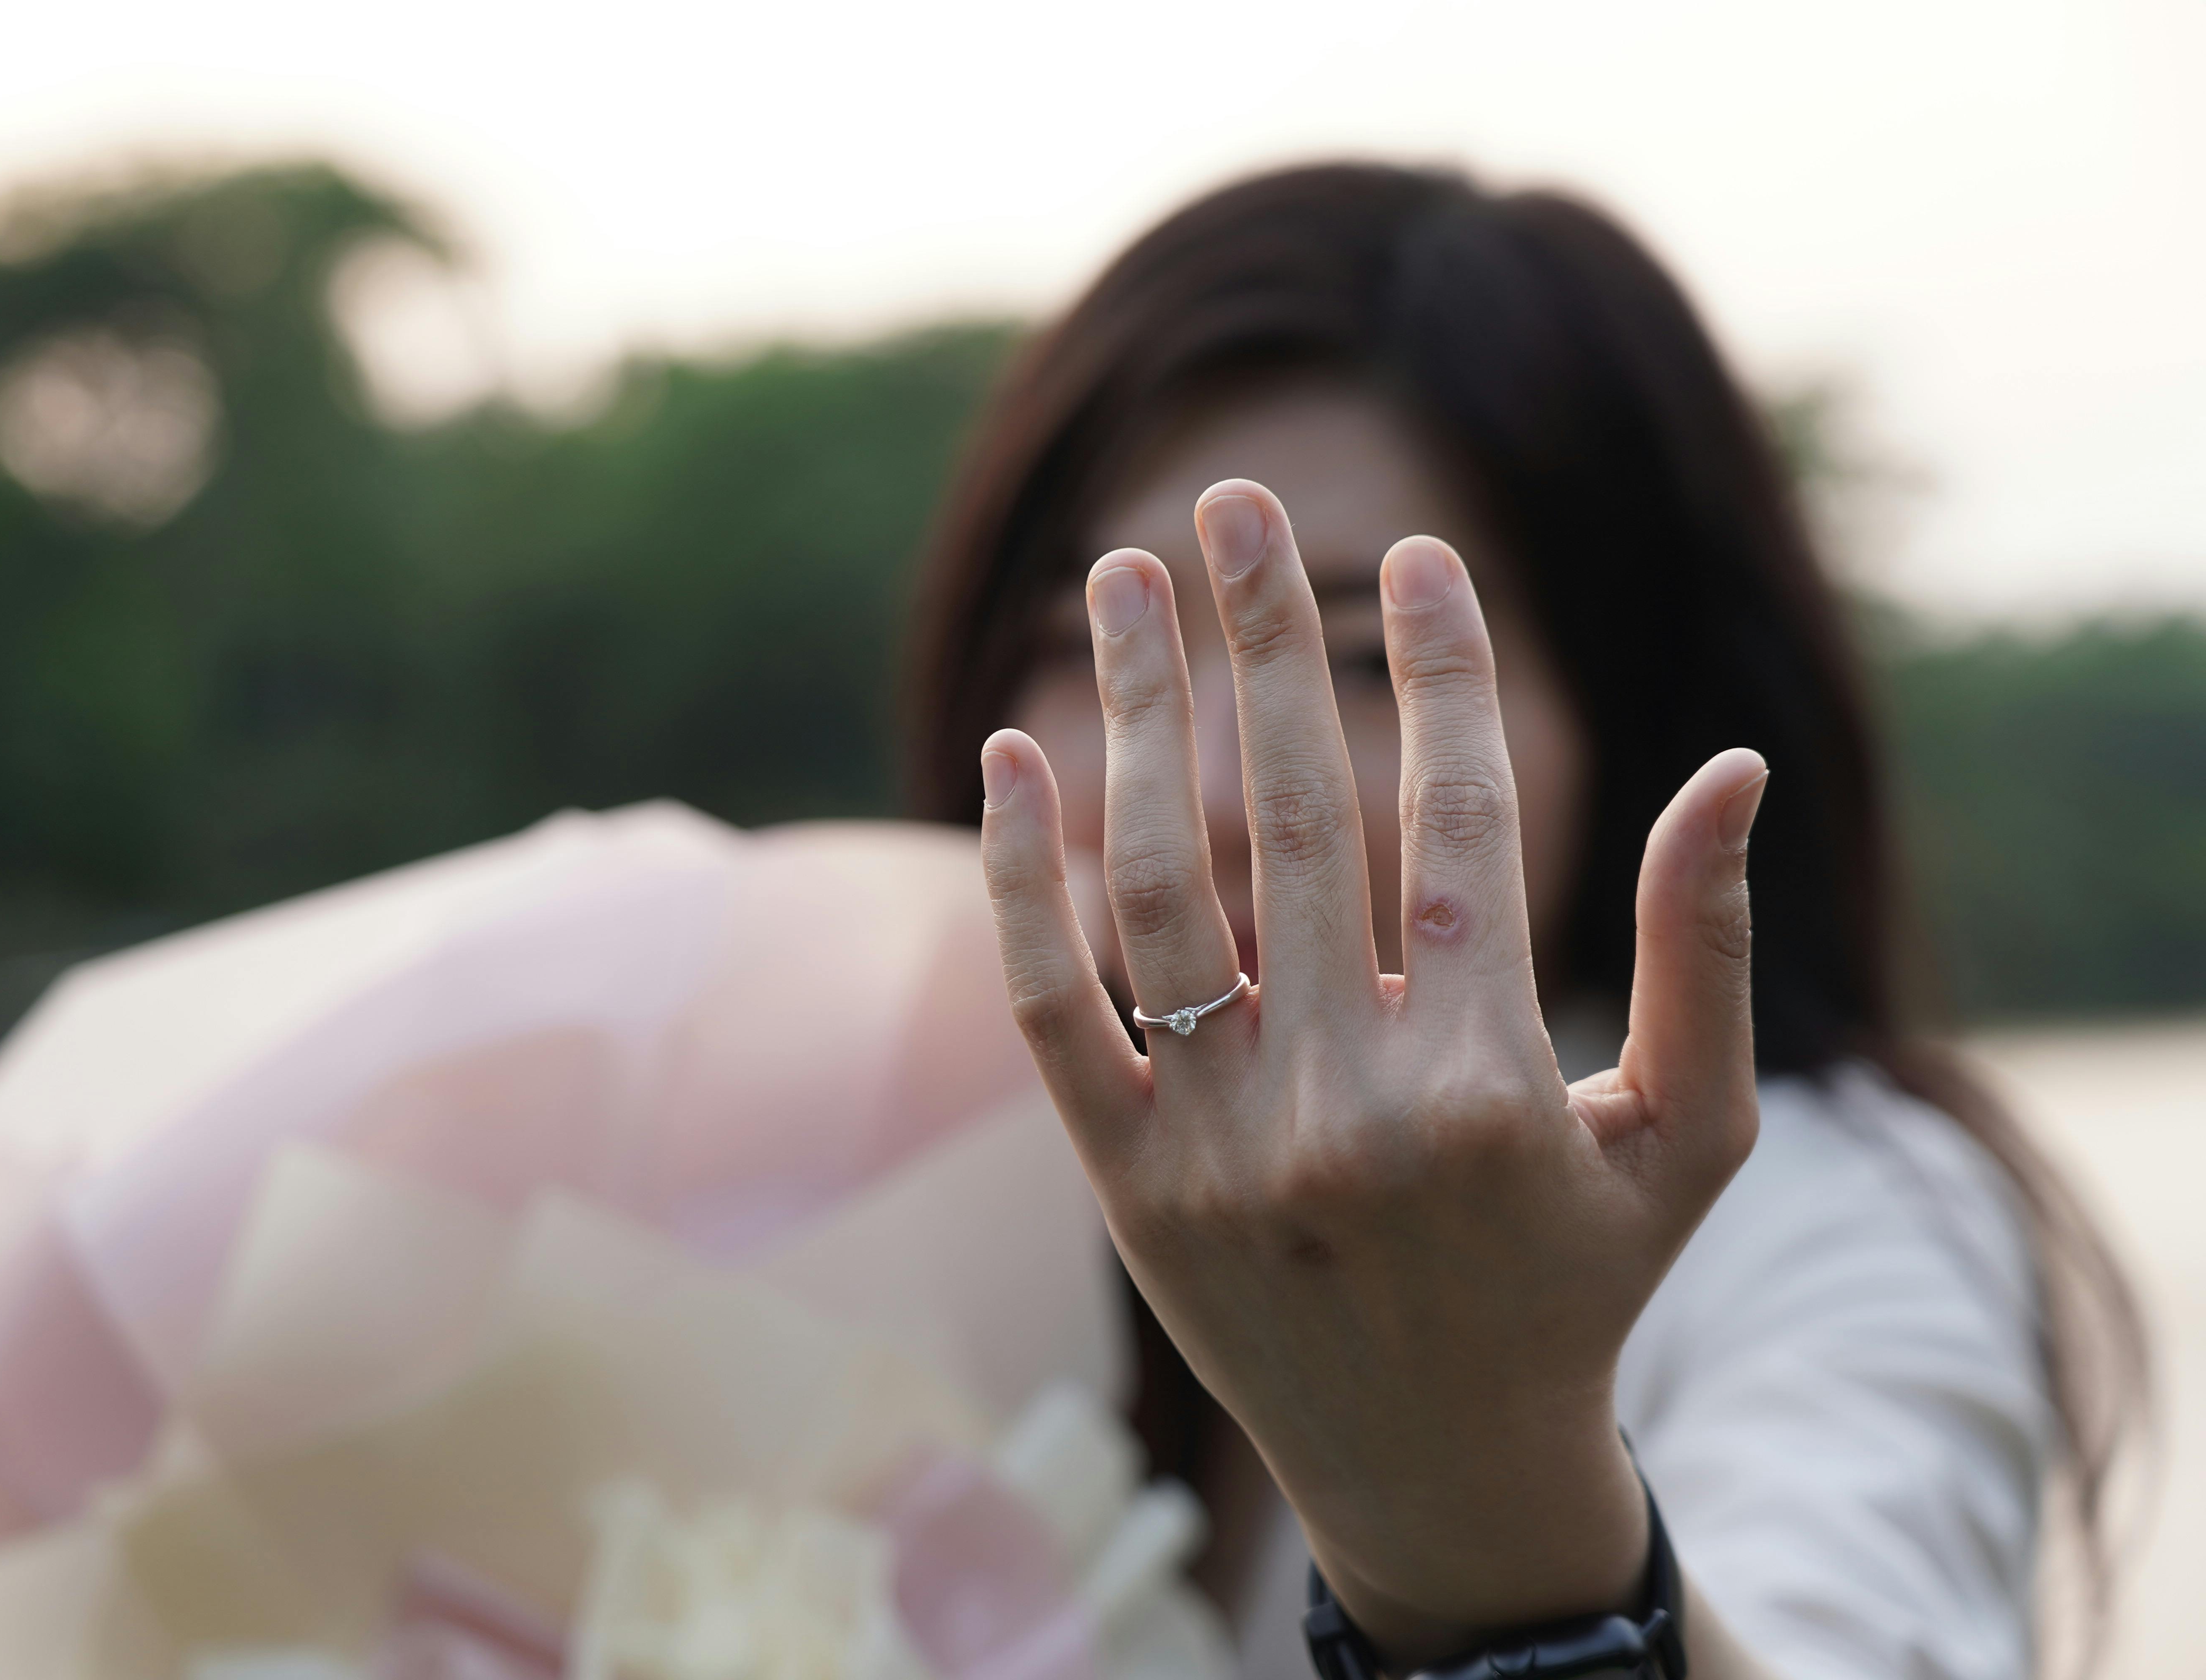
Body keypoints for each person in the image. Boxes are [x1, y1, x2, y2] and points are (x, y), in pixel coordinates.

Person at [900, 165, 2144, 1679]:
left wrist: (1487, 1525)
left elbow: (1849, 1622)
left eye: (1355, 656)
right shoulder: (884, 1204)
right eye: (1096, 644)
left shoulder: (1841, 1219)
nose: (1218, 795)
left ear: (1626, 721)